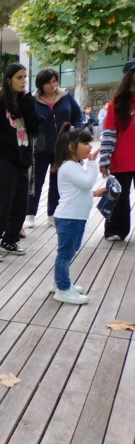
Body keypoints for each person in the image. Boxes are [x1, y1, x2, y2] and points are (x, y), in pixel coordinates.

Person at [0, 63, 42, 262]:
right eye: (19, 77)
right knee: (2, 203)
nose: (23, 81)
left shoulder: (24, 101)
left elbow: (35, 128)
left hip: (22, 160)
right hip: (4, 161)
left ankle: (10, 239)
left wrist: (28, 106)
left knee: (20, 202)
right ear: (9, 79)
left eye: (25, 77)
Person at [51, 124, 107, 304]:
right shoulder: (69, 166)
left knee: (69, 252)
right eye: (86, 143)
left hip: (74, 218)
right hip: (69, 219)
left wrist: (94, 194)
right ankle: (63, 289)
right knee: (65, 254)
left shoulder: (72, 166)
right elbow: (86, 182)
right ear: (71, 147)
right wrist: (92, 164)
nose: (90, 146)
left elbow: (77, 189)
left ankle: (60, 282)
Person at [25, 68, 83, 228]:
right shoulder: (32, 99)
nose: (53, 85)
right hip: (40, 148)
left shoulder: (65, 96)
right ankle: (30, 214)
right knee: (35, 182)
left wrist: (76, 131)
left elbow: (78, 115)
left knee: (57, 182)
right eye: (49, 82)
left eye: (55, 81)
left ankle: (52, 214)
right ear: (41, 84)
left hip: (62, 147)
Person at [99, 58, 135, 241]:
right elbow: (109, 133)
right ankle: (115, 230)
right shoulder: (117, 104)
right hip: (121, 158)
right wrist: (104, 159)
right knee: (119, 197)